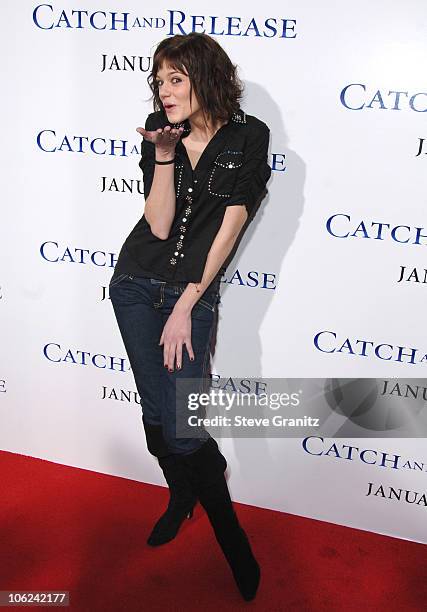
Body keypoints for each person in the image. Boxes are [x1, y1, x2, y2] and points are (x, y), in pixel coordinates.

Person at [109, 32, 271, 602]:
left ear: (206, 76)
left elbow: (232, 225)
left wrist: (186, 303)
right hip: (134, 283)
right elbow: (157, 225)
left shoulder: (248, 136)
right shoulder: (164, 129)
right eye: (159, 80)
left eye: (176, 78)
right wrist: (161, 154)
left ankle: (233, 543)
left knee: (183, 422)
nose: (165, 90)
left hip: (191, 295)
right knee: (157, 409)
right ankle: (181, 496)